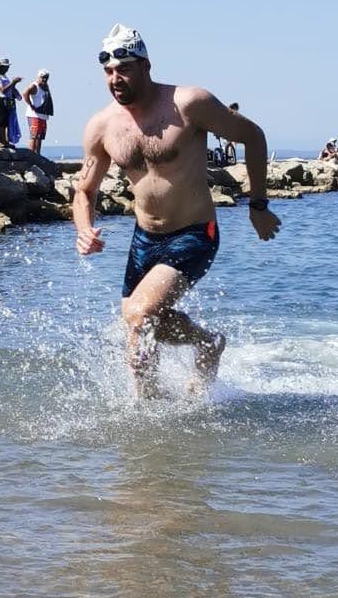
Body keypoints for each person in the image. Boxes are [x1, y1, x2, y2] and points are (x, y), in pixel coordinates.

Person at [73, 24, 281, 400]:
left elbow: (254, 137)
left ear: (145, 66)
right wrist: (84, 229)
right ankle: (191, 362)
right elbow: (84, 191)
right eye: (108, 72)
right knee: (137, 327)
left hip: (195, 232)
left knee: (138, 315)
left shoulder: (189, 104)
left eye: (124, 69)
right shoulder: (102, 127)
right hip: (144, 239)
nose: (115, 79)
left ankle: (150, 414)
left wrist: (258, 204)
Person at [22, 69, 54, 154]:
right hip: (34, 115)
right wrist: (31, 105)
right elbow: (25, 93)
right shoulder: (34, 86)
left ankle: (38, 154)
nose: (44, 79)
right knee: (34, 136)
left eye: (46, 78)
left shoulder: (45, 86)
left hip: (43, 115)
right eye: (43, 77)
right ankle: (31, 155)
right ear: (39, 77)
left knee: (40, 136)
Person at [0, 58, 21, 148]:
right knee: (0, 121)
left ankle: (5, 140)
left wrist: (15, 89)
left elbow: (10, 88)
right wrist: (13, 82)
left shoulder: (5, 77)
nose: (7, 68)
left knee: (5, 122)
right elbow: (3, 90)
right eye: (5, 67)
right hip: (0, 99)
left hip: (8, 100)